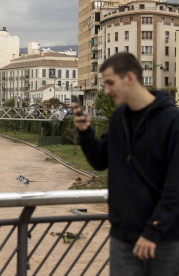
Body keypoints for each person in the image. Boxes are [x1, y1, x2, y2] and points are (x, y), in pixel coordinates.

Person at [73, 52, 179, 275]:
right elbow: (100, 160)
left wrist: (153, 231)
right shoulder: (118, 117)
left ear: (129, 78)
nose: (106, 91)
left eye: (110, 83)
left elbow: (175, 186)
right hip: (122, 237)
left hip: (163, 239)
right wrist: (85, 132)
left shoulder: (171, 120)